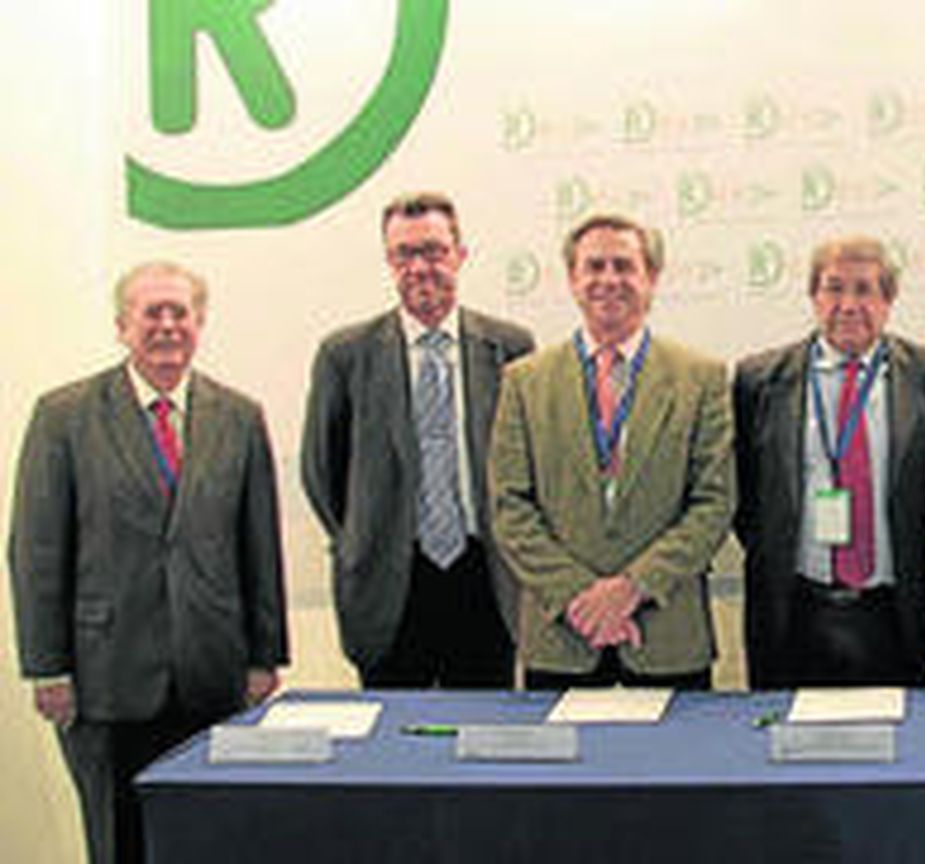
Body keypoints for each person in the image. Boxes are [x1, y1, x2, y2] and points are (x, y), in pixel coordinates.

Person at [9, 261, 288, 864]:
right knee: (119, 843)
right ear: (122, 325)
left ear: (200, 322)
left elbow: (258, 546)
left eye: (179, 312)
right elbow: (36, 551)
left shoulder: (239, 416)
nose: (167, 325)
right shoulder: (64, 416)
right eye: (151, 313)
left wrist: (265, 656)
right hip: (105, 680)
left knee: (212, 842)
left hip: (212, 675)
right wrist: (47, 667)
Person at [301, 192, 535, 688]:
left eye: (433, 251)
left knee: (482, 727)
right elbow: (322, 473)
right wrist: (362, 539)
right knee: (394, 729)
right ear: (389, 261)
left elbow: (530, 465)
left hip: (485, 578)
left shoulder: (511, 349)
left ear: (460, 254)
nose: (420, 267)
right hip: (389, 583)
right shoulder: (345, 356)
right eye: (404, 254)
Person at [491, 214, 734, 689]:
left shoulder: (701, 378)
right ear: (572, 279)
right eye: (594, 266)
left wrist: (631, 589)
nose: (608, 279)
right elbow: (510, 507)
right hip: (562, 636)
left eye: (624, 266)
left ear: (652, 278)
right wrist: (580, 597)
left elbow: (714, 504)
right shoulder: (524, 381)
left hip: (666, 637)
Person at [733, 236, 925, 689]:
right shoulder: (759, 380)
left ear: (889, 299)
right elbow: (744, 499)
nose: (848, 305)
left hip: (895, 612)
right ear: (813, 296)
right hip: (794, 611)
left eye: (864, 289)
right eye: (834, 288)